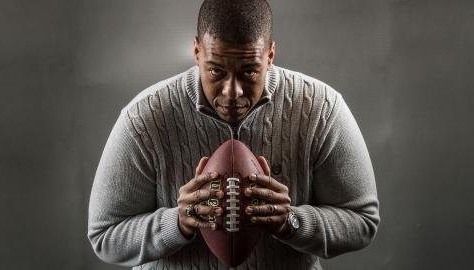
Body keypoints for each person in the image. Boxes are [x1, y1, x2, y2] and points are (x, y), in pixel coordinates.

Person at [87, 0, 380, 269]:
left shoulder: (320, 109)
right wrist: (176, 223)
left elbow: (362, 221)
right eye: (216, 71)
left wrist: (291, 222)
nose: (231, 93)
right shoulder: (144, 117)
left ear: (270, 55)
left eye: (249, 72)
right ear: (197, 52)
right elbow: (105, 235)